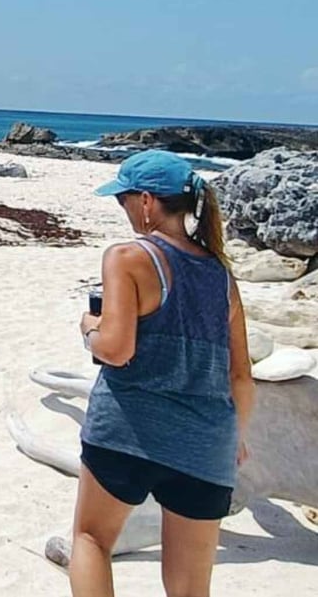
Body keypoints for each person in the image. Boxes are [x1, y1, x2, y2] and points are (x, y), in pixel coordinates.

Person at [70, 150, 254, 597]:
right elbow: (241, 376)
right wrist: (236, 437)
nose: (125, 208)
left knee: (91, 540)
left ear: (147, 202)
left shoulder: (128, 256)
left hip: (126, 434)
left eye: (124, 199)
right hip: (205, 445)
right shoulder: (220, 276)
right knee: (190, 587)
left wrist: (89, 329)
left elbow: (116, 349)